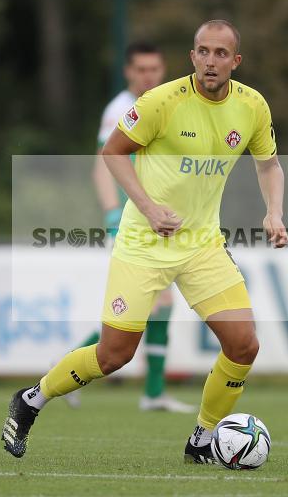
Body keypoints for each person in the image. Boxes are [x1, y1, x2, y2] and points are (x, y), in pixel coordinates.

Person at [2, 20, 287, 464]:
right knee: (114, 355)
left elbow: (269, 165)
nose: (211, 61)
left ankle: (202, 440)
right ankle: (31, 400)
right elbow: (112, 152)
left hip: (202, 246)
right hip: (143, 244)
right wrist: (149, 209)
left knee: (244, 344)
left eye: (220, 53)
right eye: (203, 52)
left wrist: (274, 212)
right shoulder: (162, 102)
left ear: (236, 61)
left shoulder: (252, 106)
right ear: (192, 57)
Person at [69, 41, 194, 413]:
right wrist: (111, 214)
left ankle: (152, 392)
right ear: (128, 72)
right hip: (132, 223)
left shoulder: (167, 104)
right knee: (150, 305)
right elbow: (103, 164)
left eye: (154, 69)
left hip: (158, 222)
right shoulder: (121, 109)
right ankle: (72, 367)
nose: (148, 76)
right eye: (141, 69)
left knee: (159, 304)